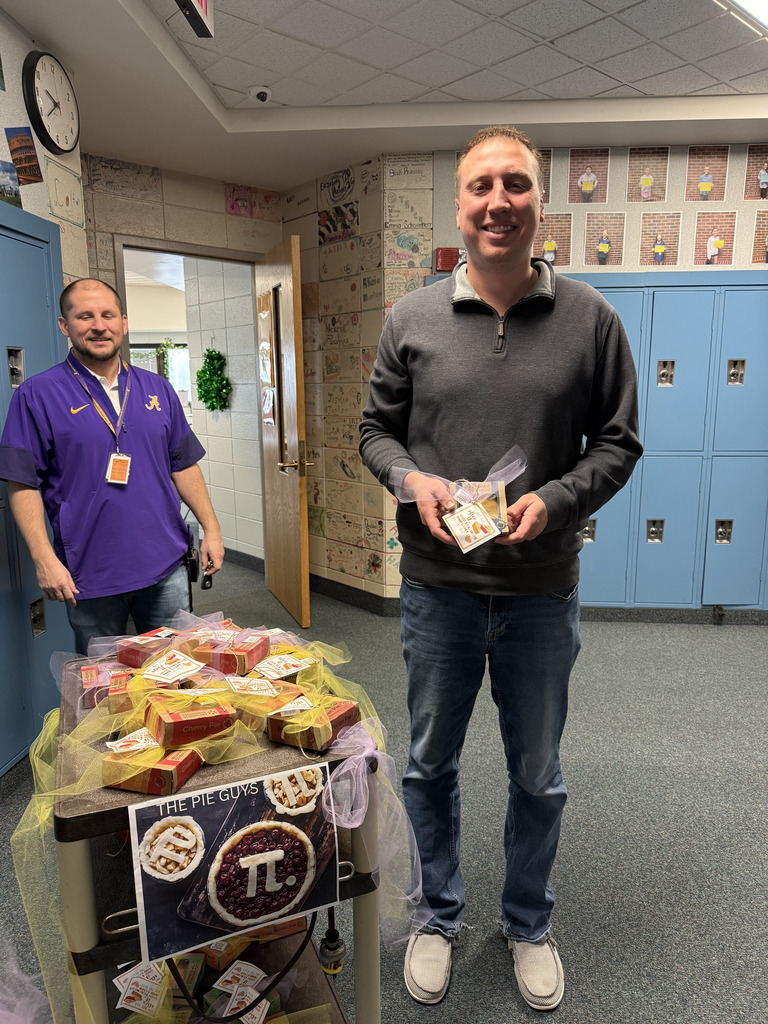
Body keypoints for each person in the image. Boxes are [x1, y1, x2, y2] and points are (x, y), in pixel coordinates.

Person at [359, 126, 642, 1012]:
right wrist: (411, 481)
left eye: (514, 184)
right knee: (428, 764)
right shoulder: (411, 319)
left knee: (537, 774)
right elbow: (374, 433)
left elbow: (620, 442)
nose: (497, 202)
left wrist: (554, 501)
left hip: (539, 593)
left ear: (538, 200)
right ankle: (440, 917)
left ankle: (528, 923)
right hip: (436, 592)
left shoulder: (592, 320)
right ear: (460, 204)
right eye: (481, 186)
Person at [0, 278, 224, 654]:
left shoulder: (157, 389)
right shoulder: (37, 395)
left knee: (176, 672)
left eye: (107, 315)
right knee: (106, 687)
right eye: (84, 316)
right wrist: (44, 559)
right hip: (90, 571)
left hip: (165, 563)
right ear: (64, 325)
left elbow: (183, 465)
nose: (98, 325)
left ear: (123, 321)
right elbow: (23, 484)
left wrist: (211, 529)